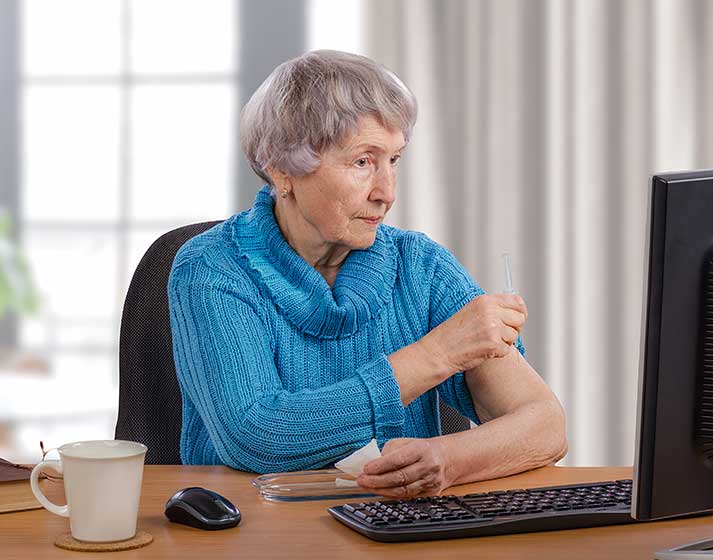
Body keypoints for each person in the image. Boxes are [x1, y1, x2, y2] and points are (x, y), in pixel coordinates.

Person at [168, 50, 567, 498]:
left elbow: (545, 424)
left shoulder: (422, 267)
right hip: (253, 526)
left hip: (394, 524)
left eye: (393, 160)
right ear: (283, 169)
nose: (387, 193)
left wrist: (449, 460)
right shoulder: (212, 269)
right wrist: (436, 354)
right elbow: (257, 436)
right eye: (363, 162)